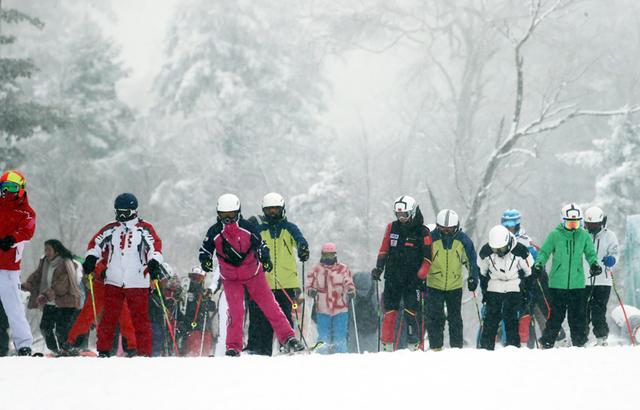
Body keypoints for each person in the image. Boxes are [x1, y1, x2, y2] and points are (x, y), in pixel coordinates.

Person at [199, 193, 304, 356]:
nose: (228, 220)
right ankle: (233, 346)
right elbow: (205, 249)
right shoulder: (215, 231)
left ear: (238, 212)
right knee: (235, 311)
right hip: (231, 278)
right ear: (218, 214)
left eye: (232, 215)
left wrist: (265, 258)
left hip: (253, 274)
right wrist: (205, 260)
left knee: (270, 306)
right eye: (223, 216)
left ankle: (288, 338)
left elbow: (261, 245)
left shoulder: (247, 227)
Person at [82, 193, 163, 357]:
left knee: (140, 319)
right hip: (114, 279)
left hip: (137, 280)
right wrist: (91, 257)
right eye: (118, 212)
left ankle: (144, 353)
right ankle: (103, 350)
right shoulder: (111, 228)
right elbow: (96, 243)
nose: (121, 216)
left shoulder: (144, 228)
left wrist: (154, 262)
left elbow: (155, 247)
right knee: (109, 318)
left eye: (125, 212)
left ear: (134, 211)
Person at [246, 192, 309, 356]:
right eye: (269, 210)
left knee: (285, 315)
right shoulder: (259, 230)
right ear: (264, 211)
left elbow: (299, 239)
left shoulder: (289, 228)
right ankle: (261, 349)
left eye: (275, 209)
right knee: (262, 317)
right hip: (263, 282)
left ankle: (286, 345)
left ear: (282, 210)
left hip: (286, 281)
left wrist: (303, 248)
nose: (272, 213)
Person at [533, 203, 600, 348]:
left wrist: (594, 264)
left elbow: (590, 253)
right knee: (556, 316)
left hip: (577, 284)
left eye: (576, 224)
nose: (573, 227)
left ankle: (579, 343)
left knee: (577, 317)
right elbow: (544, 252)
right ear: (563, 221)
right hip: (558, 284)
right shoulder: (555, 235)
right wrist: (538, 264)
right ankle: (548, 342)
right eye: (569, 224)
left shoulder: (583, 236)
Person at [371, 195, 432, 351]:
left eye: (404, 215)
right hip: (393, 277)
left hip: (413, 280)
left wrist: (421, 276)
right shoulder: (392, 228)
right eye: (398, 215)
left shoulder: (423, 231)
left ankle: (413, 344)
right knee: (390, 311)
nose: (401, 218)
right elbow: (384, 249)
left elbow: (428, 258)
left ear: (411, 213)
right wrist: (379, 268)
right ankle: (386, 345)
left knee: (411, 312)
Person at [501, 209, 564, 347]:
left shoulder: (525, 241)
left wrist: (534, 272)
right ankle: (522, 342)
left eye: (512, 226)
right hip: (514, 282)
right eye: (506, 226)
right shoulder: (500, 240)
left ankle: (555, 338)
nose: (509, 229)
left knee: (543, 308)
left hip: (534, 281)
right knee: (522, 312)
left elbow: (537, 260)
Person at [425, 209, 479, 350]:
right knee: (435, 317)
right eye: (443, 229)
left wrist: (473, 277)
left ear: (457, 227)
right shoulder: (431, 239)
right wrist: (420, 276)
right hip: (434, 284)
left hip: (454, 286)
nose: (447, 232)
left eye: (450, 229)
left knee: (455, 319)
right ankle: (436, 347)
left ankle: (456, 348)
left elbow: (471, 260)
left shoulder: (463, 240)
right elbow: (423, 259)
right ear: (438, 227)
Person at [66, 253, 138, 354]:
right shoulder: (108, 245)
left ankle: (132, 346)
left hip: (117, 285)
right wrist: (99, 270)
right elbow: (100, 256)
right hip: (102, 285)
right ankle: (72, 342)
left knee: (124, 317)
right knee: (89, 315)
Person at [478, 225, 534, 350]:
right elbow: (482, 272)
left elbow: (529, 272)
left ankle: (513, 347)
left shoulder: (521, 251)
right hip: (494, 286)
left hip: (514, 286)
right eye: (495, 249)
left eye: (502, 249)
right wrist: (485, 291)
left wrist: (527, 293)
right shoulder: (485, 252)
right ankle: (486, 348)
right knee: (491, 319)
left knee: (511, 318)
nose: (499, 253)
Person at [22, 240, 81, 355]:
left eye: (49, 249)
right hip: (50, 302)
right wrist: (27, 285)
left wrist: (46, 295)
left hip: (65, 303)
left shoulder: (65, 263)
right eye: (45, 249)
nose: (46, 252)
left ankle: (67, 351)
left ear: (57, 251)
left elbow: (62, 285)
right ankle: (55, 350)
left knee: (61, 330)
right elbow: (37, 276)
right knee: (45, 327)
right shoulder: (45, 262)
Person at [0, 170, 35, 356]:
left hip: (8, 268)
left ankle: (24, 344)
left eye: (12, 187)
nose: (7, 191)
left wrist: (12, 239)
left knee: (13, 307)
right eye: (3, 187)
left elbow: (28, 230)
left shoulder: (26, 212)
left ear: (21, 188)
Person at [306, 243, 355, 354]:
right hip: (322, 308)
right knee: (323, 336)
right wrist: (311, 291)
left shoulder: (343, 268)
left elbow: (348, 281)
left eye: (331, 255)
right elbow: (309, 284)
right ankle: (321, 356)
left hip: (340, 308)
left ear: (335, 255)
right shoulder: (316, 269)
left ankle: (341, 356)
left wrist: (350, 290)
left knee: (340, 336)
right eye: (326, 255)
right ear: (322, 255)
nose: (328, 258)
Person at [583, 206, 619, 346]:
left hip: (603, 281)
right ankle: (581, 338)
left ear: (601, 222)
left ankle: (601, 338)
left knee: (598, 311)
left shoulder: (610, 236)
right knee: (582, 311)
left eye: (595, 224)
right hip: (583, 279)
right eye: (589, 224)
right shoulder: (582, 235)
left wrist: (612, 260)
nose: (591, 227)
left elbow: (615, 253)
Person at [180, 266, 216, 356]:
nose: (195, 280)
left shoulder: (204, 293)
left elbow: (212, 307)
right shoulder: (186, 292)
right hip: (190, 327)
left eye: (199, 278)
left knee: (207, 340)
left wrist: (206, 301)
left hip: (204, 327)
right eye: (193, 277)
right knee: (194, 342)